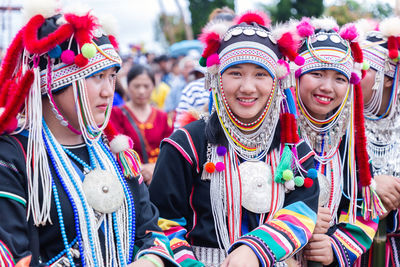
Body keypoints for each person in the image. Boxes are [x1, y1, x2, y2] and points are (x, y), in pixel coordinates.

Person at [0, 4, 178, 267]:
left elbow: (151, 231)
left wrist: (149, 261)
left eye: (112, 77)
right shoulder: (14, 158)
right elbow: (11, 255)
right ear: (53, 82)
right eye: (96, 77)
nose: (109, 91)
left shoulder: (116, 153)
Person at [149, 11, 320, 267]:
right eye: (236, 73)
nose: (248, 87)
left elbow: (303, 211)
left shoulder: (293, 146)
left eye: (261, 74)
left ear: (277, 81)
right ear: (217, 78)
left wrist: (256, 250)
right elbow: (163, 222)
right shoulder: (186, 143)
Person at [292, 17, 383, 266]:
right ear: (296, 76)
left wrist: (335, 246)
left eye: (340, 78)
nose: (327, 87)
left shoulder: (347, 142)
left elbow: (364, 208)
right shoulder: (275, 134)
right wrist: (297, 220)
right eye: (317, 73)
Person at [358, 17, 400, 266]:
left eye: (363, 68)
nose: (353, 76)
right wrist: (369, 185)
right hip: (347, 249)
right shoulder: (333, 119)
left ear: (387, 77)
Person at [110, 64, 173, 185]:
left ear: (153, 87)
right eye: (136, 86)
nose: (141, 91)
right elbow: (115, 150)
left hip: (159, 177)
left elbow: (169, 150)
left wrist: (154, 167)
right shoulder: (117, 114)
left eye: (146, 86)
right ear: (128, 86)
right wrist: (140, 168)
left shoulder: (162, 116)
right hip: (130, 180)